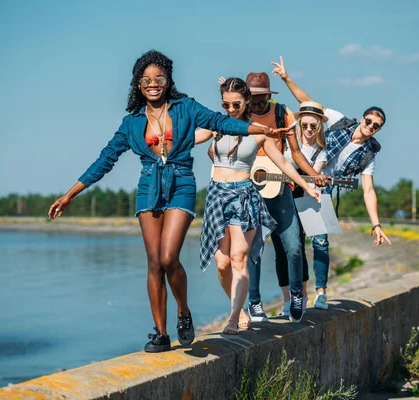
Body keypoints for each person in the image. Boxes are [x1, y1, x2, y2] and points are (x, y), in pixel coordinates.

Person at [47, 50, 287, 353]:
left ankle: (183, 311)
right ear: (138, 85)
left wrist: (259, 128)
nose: (153, 84)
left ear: (167, 80)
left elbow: (221, 122)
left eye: (158, 78)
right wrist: (70, 194)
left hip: (181, 184)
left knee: (169, 257)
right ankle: (160, 333)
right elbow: (105, 160)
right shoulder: (131, 122)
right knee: (153, 262)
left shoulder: (186, 108)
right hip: (149, 186)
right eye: (146, 80)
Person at [198, 78, 321, 334]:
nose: (230, 110)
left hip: (244, 196)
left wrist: (307, 185)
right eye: (225, 105)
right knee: (222, 264)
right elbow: (188, 136)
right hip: (217, 196)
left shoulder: (259, 133)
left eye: (235, 105)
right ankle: (241, 308)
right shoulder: (216, 126)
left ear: (246, 104)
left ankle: (234, 317)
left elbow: (285, 164)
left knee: (239, 258)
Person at [271, 56, 392, 246]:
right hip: (299, 175)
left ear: (379, 130)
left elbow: (368, 190)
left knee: (320, 242)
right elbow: (309, 103)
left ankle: (316, 277)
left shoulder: (369, 154)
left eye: (376, 126)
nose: (370, 126)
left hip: (322, 189)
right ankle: (298, 276)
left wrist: (376, 224)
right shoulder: (340, 121)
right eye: (368, 121)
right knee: (292, 240)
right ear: (362, 119)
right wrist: (286, 78)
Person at [243, 72, 330, 324]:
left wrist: (313, 176)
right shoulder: (240, 114)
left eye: (261, 101)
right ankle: (255, 302)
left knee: (293, 248)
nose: (257, 106)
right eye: (253, 101)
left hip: (281, 189)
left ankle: (296, 296)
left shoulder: (283, 113)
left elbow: (295, 153)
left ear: (269, 97)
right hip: (250, 190)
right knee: (254, 250)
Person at [283, 101, 332, 311]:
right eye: (305, 126)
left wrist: (314, 177)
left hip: (313, 195)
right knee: (296, 245)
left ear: (320, 126)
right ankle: (300, 295)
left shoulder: (322, 151)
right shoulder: (286, 144)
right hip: (288, 195)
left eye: (314, 126)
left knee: (320, 243)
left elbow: (314, 173)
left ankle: (321, 292)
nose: (309, 130)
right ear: (299, 124)